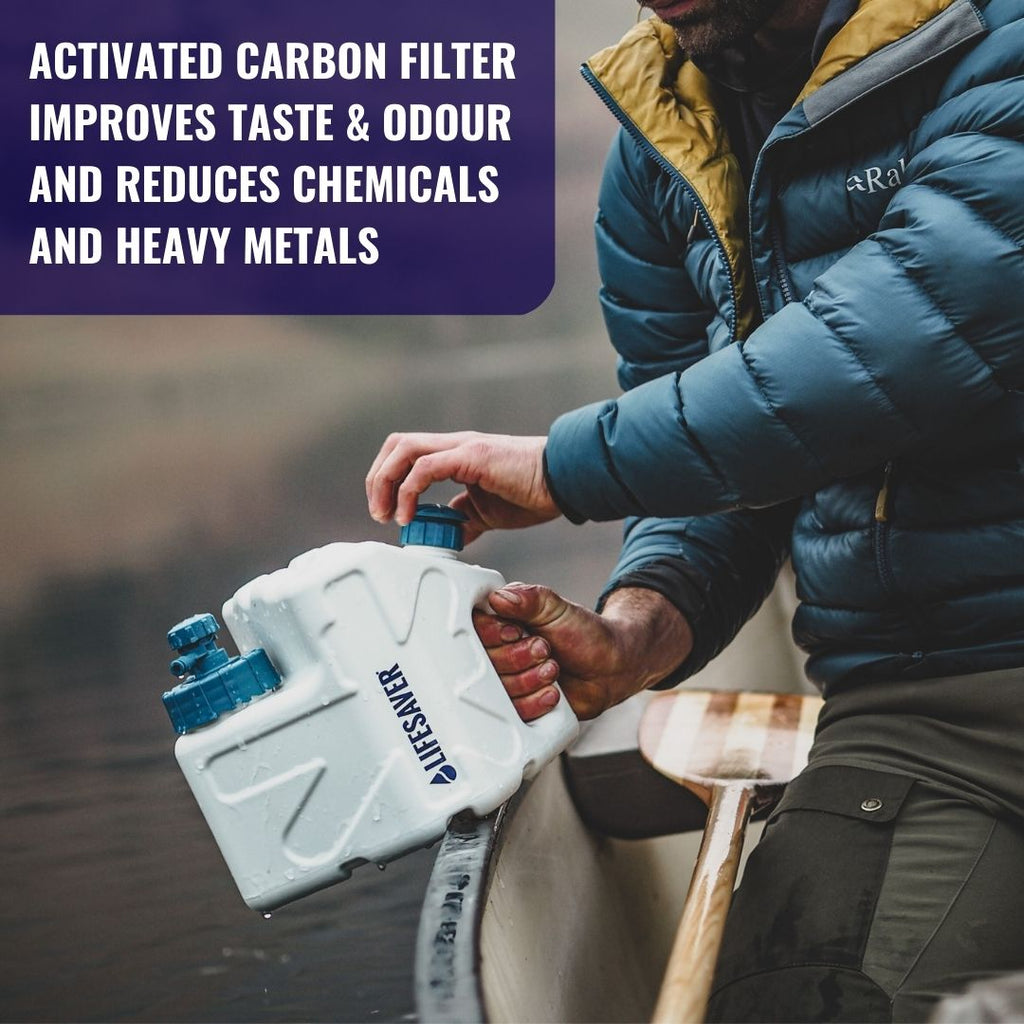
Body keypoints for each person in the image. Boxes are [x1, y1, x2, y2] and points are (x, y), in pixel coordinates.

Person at [366, 0, 1024, 1017]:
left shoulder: (998, 41)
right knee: (796, 996)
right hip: (918, 711)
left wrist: (568, 466)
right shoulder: (661, 140)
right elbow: (725, 466)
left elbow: (908, 328)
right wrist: (640, 629)